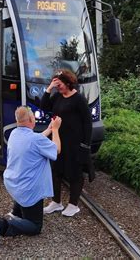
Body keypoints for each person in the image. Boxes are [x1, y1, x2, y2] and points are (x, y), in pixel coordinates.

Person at [0, 106, 62, 246]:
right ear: (30, 119)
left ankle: (16, 213)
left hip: (13, 183)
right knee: (35, 226)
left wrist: (48, 129)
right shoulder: (35, 140)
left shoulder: (14, 134)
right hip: (29, 189)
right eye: (33, 117)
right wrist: (55, 130)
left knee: (23, 193)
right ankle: (4, 226)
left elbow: (35, 140)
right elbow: (56, 149)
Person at [40, 69, 94, 217]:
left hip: (75, 144)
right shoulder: (57, 96)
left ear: (69, 83)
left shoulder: (79, 99)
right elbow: (44, 107)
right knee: (55, 171)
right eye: (57, 85)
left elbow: (88, 123)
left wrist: (86, 145)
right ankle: (56, 202)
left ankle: (73, 205)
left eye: (60, 84)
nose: (59, 87)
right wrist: (49, 89)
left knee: (75, 173)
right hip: (58, 141)